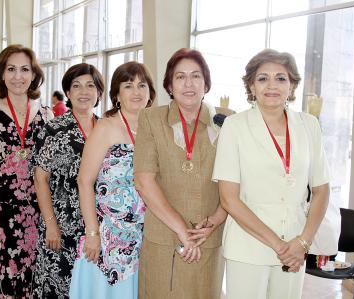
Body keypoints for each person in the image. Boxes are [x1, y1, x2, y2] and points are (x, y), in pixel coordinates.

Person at [212, 49, 330, 298]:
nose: (272, 85)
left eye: (281, 78)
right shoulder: (235, 126)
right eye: (263, 78)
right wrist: (279, 245)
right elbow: (229, 199)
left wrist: (303, 242)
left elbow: (321, 190)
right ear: (252, 87)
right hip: (248, 246)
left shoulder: (309, 126)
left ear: (292, 85)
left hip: (295, 245)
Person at [133, 48, 234, 299]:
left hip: (207, 238)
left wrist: (214, 222)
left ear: (206, 83)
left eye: (196, 76)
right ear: (169, 84)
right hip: (164, 238)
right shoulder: (151, 118)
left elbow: (236, 181)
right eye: (180, 77)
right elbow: (144, 181)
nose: (188, 84)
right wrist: (180, 229)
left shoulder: (227, 122)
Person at [0, 44, 53, 298]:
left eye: (24, 69)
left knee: (31, 281)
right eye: (11, 69)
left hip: (35, 215)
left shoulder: (45, 115)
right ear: (1, 74)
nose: (18, 76)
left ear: (34, 74)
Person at [69, 61, 156, 298]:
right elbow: (84, 182)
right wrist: (93, 234)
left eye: (142, 85)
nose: (136, 92)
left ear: (150, 93)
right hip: (108, 238)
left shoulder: (157, 129)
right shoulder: (106, 127)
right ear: (117, 94)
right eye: (128, 86)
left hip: (145, 237)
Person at [31, 63, 104, 298]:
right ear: (69, 93)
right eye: (77, 86)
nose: (84, 91)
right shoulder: (54, 129)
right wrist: (50, 223)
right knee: (58, 286)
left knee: (89, 289)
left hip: (97, 226)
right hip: (62, 225)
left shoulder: (106, 128)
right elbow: (40, 179)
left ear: (99, 93)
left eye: (90, 86)